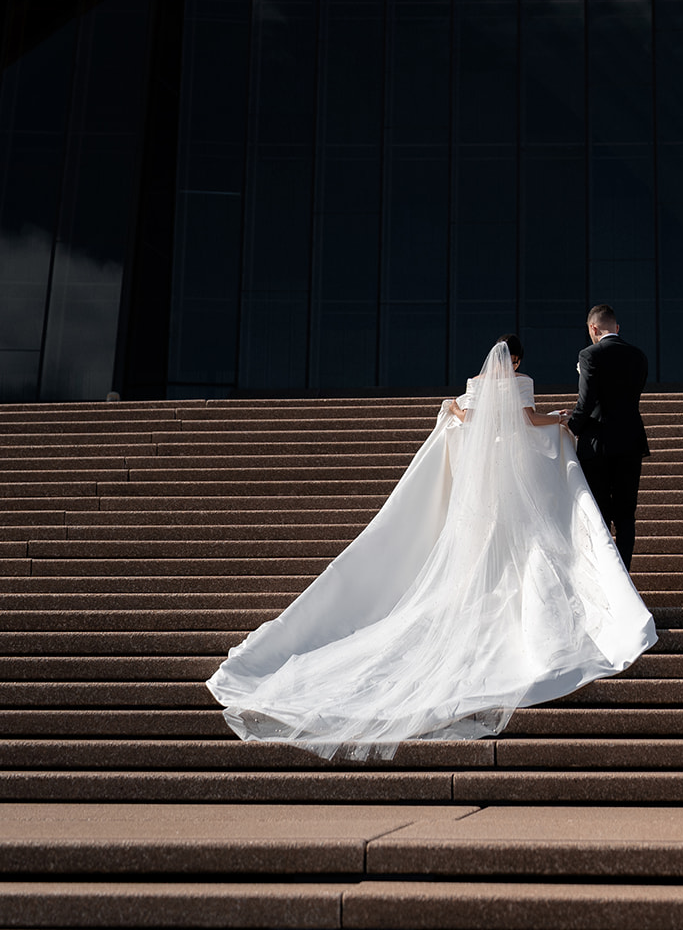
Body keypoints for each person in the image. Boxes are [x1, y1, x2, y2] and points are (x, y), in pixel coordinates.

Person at [206, 337, 656, 761]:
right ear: (517, 360)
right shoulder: (521, 382)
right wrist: (557, 419)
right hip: (514, 472)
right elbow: (526, 420)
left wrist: (452, 409)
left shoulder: (474, 384)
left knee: (481, 536)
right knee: (521, 539)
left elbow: (464, 416)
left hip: (481, 480)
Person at [566, 304, 649, 570]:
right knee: (626, 515)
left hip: (598, 445)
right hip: (631, 442)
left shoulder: (589, 355)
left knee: (599, 514)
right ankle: (624, 574)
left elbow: (586, 402)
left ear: (593, 328)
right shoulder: (638, 356)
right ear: (617, 327)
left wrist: (570, 427)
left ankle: (605, 575)